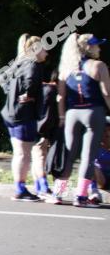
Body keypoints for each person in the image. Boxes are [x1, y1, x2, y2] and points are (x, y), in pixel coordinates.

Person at [55, 33, 110, 207]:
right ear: (88, 47)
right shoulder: (98, 66)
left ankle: (58, 193)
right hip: (93, 112)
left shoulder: (66, 68)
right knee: (88, 156)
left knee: (70, 155)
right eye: (97, 45)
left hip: (72, 114)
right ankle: (81, 196)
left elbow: (60, 97)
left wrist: (62, 116)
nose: (99, 48)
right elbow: (107, 93)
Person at [0, 34, 46, 201]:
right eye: (43, 48)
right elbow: (30, 83)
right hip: (23, 114)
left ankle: (19, 187)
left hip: (10, 113)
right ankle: (20, 190)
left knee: (18, 153)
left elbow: (3, 79)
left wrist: (13, 94)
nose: (46, 52)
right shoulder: (31, 64)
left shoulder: (18, 63)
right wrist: (27, 95)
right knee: (23, 154)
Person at [34, 69, 60, 198]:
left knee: (38, 157)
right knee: (43, 156)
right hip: (46, 129)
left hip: (36, 127)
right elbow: (51, 116)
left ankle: (39, 187)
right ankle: (46, 188)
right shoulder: (56, 92)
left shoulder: (41, 88)